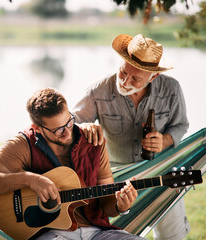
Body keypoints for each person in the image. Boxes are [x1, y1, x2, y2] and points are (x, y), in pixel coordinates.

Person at [0, 88, 145, 240]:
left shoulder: (94, 142)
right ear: (37, 128)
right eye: (58, 130)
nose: (67, 132)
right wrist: (29, 179)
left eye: (69, 122)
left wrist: (120, 206)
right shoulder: (23, 145)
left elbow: (107, 205)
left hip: (98, 233)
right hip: (51, 233)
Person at [73, 34, 190, 240]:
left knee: (173, 236)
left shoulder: (172, 89)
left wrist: (165, 140)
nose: (125, 81)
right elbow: (71, 125)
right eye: (122, 72)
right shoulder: (97, 91)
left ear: (153, 77)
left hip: (162, 172)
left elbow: (181, 125)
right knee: (125, 235)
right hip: (117, 176)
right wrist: (85, 126)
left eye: (135, 78)